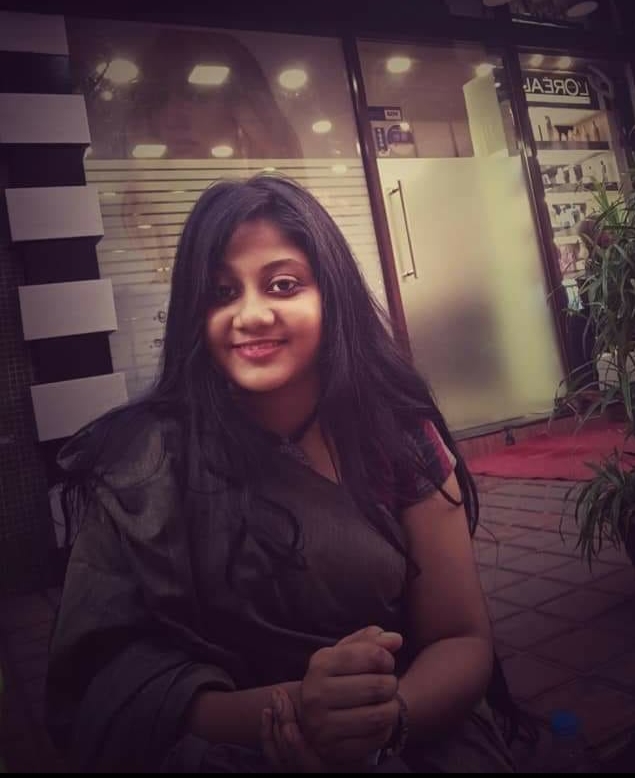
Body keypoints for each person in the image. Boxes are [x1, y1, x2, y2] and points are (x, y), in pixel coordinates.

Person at [45, 175, 518, 772]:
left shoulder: (399, 438)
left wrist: (384, 721)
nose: (250, 314)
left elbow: (462, 639)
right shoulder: (146, 464)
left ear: (332, 295)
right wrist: (290, 712)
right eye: (221, 292)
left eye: (283, 284)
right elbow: (106, 684)